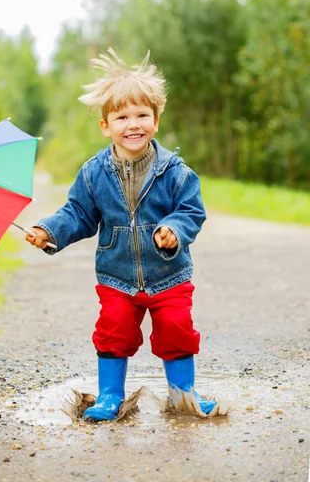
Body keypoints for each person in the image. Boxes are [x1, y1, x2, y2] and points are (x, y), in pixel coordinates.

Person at [26, 48, 219, 421]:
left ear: (156, 120)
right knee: (113, 330)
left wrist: (174, 230)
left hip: (169, 275)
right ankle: (110, 395)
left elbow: (191, 211)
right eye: (122, 117)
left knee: (177, 329)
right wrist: (48, 230)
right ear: (106, 126)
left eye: (142, 115)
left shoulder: (175, 172)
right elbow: (79, 213)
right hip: (117, 276)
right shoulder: (94, 173)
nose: (134, 124)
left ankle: (183, 393)